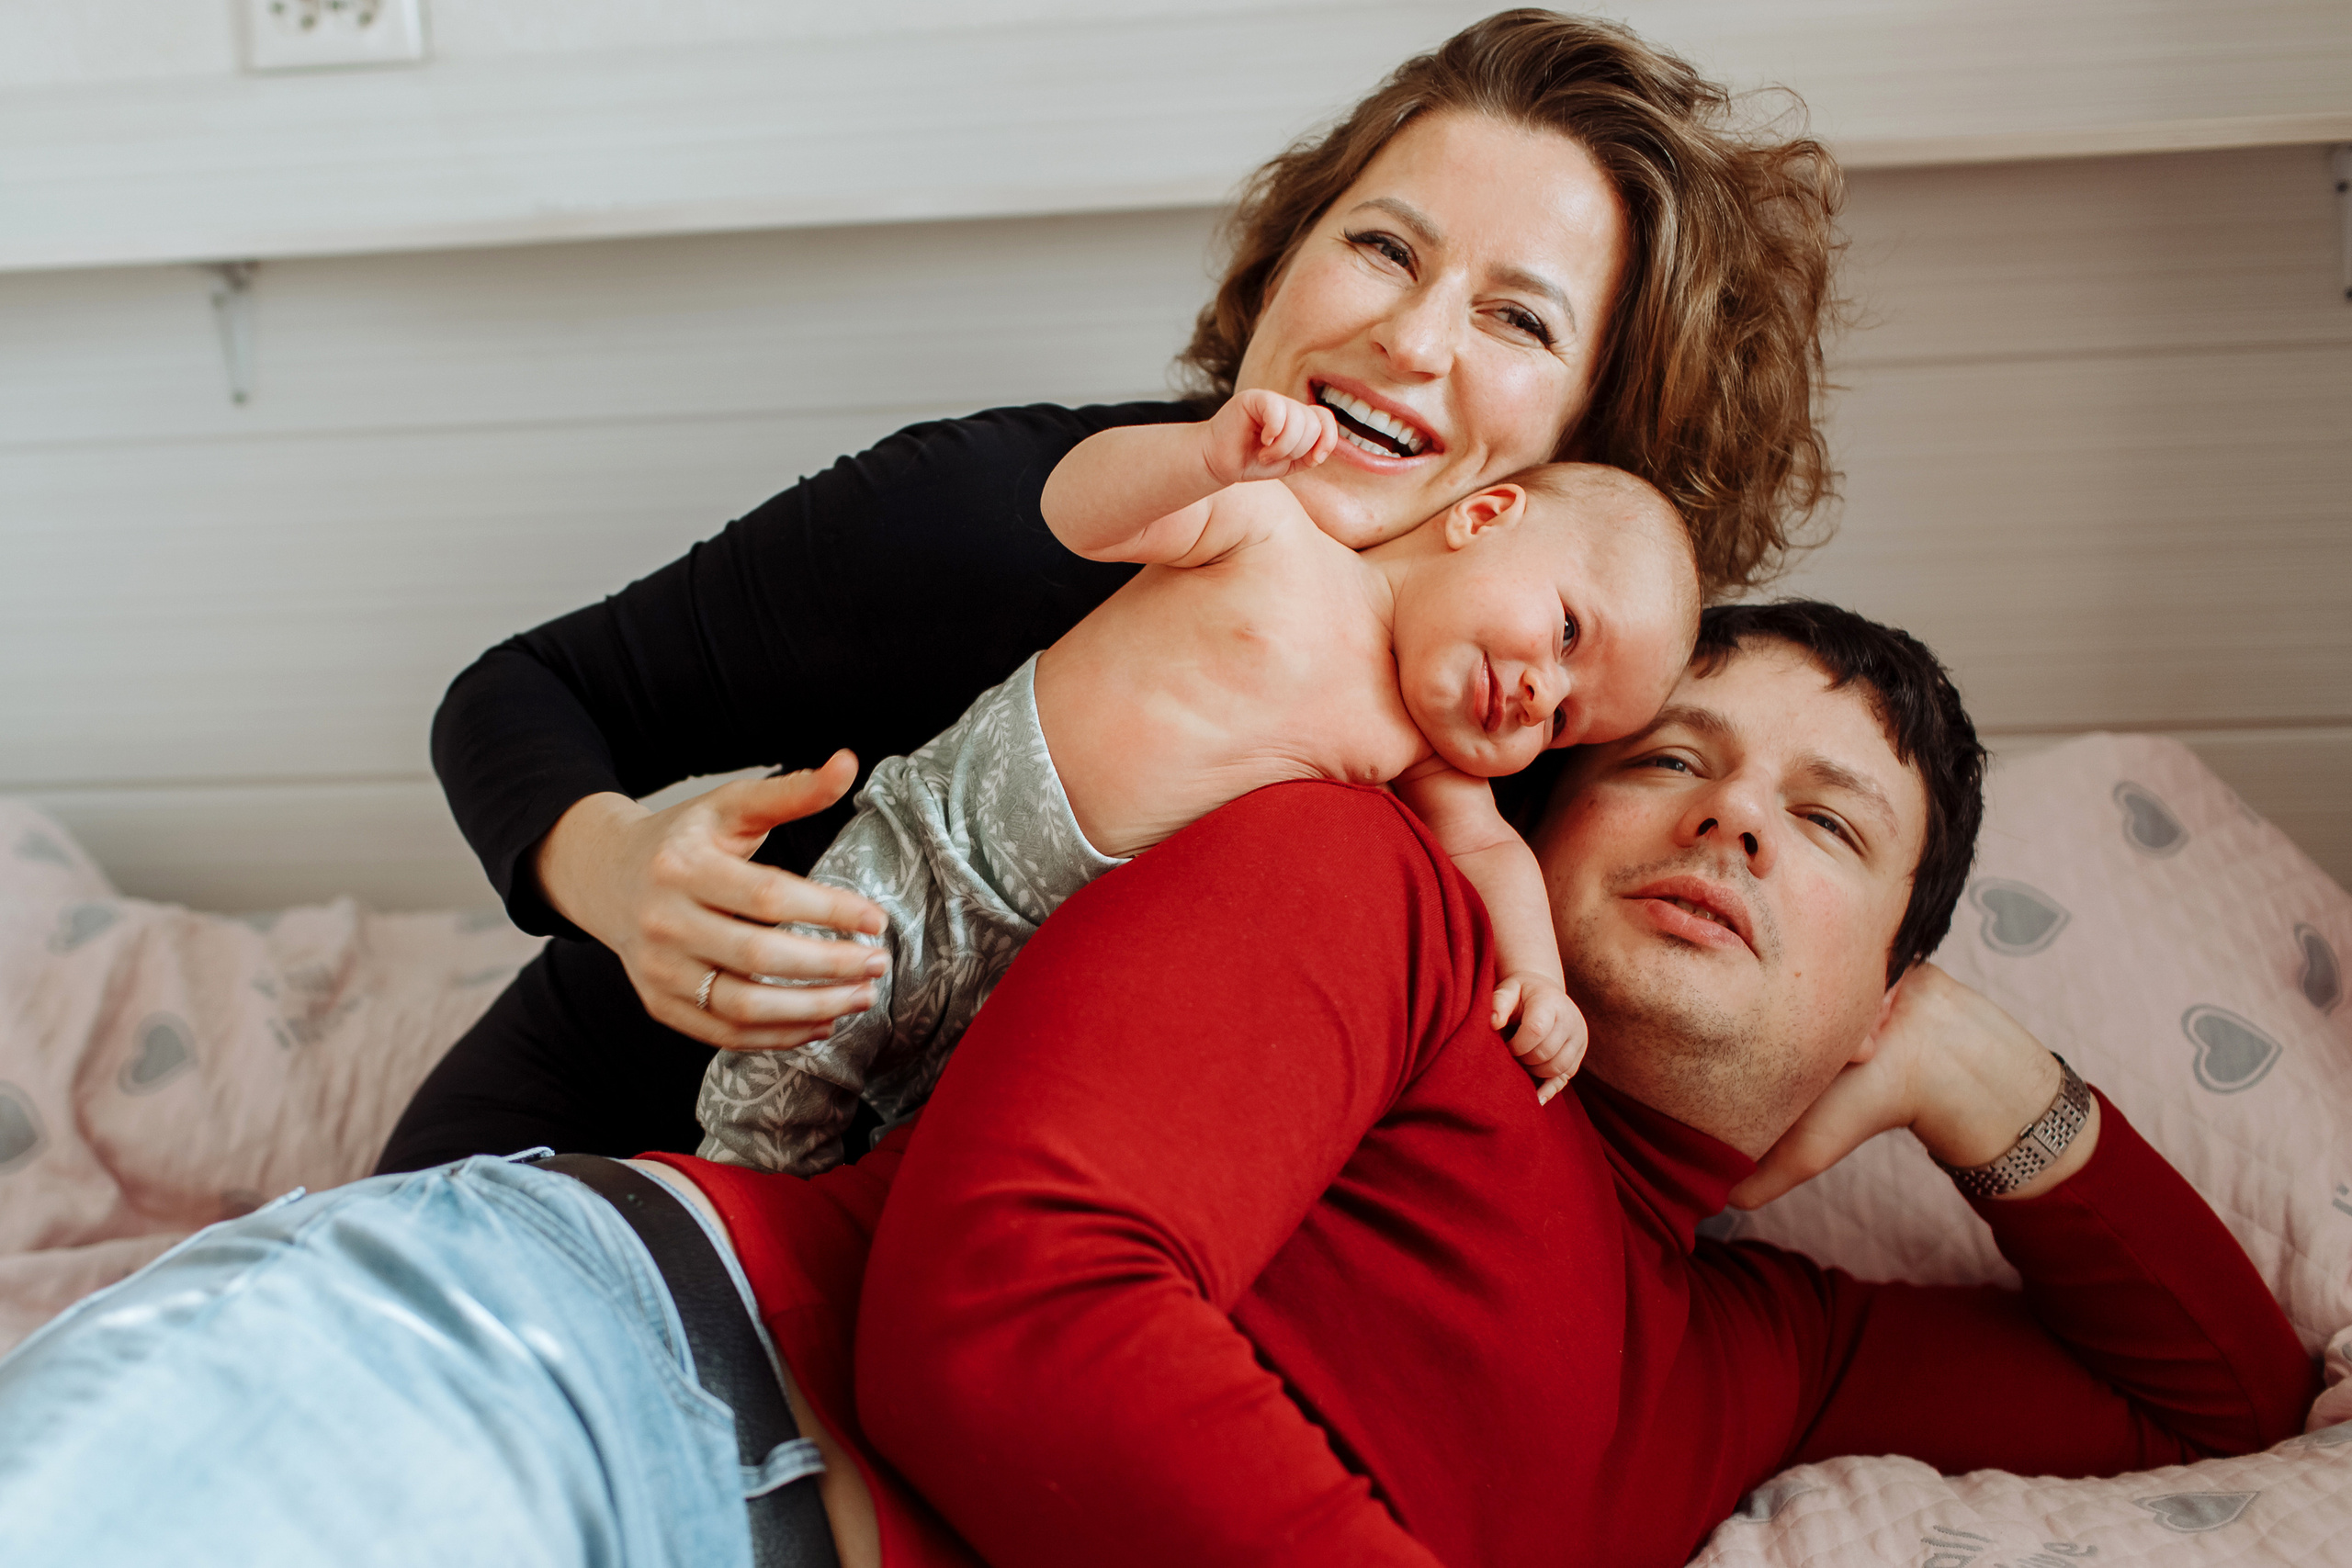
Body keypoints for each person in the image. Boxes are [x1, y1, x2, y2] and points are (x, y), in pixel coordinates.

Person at [0, 603, 2315, 1568]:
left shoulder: (1759, 1352)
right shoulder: (1368, 893)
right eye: (1672, 759)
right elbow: (1007, 1302)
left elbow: (2218, 1397)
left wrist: (1978, 1075)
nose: (1726, 821)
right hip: (588, 1383)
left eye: (1823, 821)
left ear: (1882, 973)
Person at [375, 8, 1846, 1173]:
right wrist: (612, 869)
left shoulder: (1540, 720)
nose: (1411, 339)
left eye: (1516, 317)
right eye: (1382, 246)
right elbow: (526, 693)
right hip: (577, 1159)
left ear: (1590, 432)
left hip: (929, 1288)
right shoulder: (1007, 510)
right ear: (1289, 256)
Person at [695, 389, 1700, 1173]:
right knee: (782, 1057)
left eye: (1565, 721)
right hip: (937, 851)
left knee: (915, 1169)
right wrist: (1204, 455)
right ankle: (713, 1217)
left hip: (1038, 985)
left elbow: (1490, 852)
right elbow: (1076, 513)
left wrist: (1539, 980)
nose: (1538, 693)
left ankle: (792, 1299)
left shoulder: (1422, 754)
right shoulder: (1273, 534)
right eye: (1567, 632)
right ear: (1483, 515)